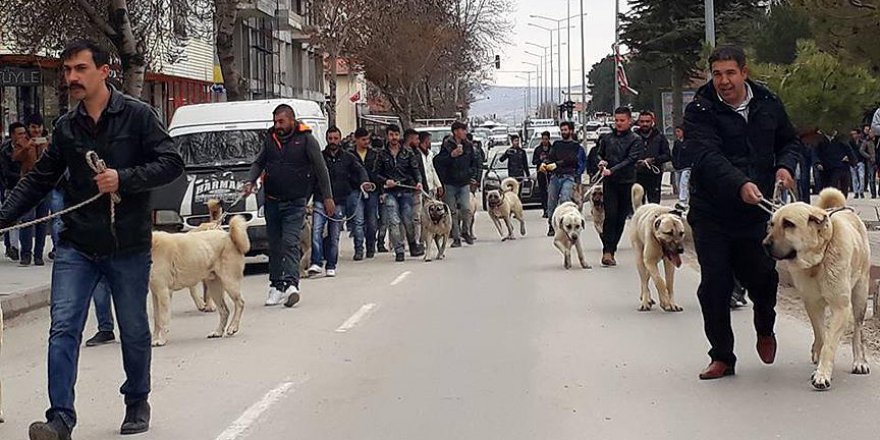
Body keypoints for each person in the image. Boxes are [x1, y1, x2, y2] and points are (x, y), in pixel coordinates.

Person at [0, 39, 185, 438]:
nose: (71, 78)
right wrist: (2, 218)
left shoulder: (138, 116)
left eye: (80, 69)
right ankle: (59, 418)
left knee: (134, 328)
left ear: (104, 71)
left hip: (128, 244)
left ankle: (137, 400)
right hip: (77, 245)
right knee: (63, 327)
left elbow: (172, 162)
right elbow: (38, 179)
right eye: (67, 71)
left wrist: (125, 178)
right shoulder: (67, 127)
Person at [683, 45, 801, 380]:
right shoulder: (700, 109)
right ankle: (722, 356)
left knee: (763, 279)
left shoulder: (768, 102)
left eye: (730, 73)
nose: (723, 81)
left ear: (744, 72)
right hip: (712, 212)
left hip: (756, 214)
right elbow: (706, 156)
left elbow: (789, 142)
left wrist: (784, 166)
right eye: (717, 74)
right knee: (715, 285)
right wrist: (739, 184)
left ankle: (765, 327)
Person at [244, 104, 333, 307]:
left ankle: (292, 284)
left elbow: (321, 169)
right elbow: (259, 163)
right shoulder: (269, 140)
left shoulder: (306, 140)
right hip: (272, 201)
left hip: (296, 202)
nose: (277, 125)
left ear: (292, 120)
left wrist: (327, 196)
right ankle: (276, 286)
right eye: (275, 121)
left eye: (281, 121)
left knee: (290, 243)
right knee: (274, 245)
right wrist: (251, 180)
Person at [307, 126, 369, 277]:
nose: (333, 141)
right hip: (320, 199)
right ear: (326, 139)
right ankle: (316, 262)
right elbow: (311, 179)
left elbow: (360, 170)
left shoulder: (348, 157)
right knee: (316, 231)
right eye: (330, 139)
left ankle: (331, 264)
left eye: (335, 138)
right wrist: (305, 199)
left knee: (334, 235)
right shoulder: (319, 157)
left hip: (339, 201)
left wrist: (364, 182)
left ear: (340, 139)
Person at [595, 108, 642, 266]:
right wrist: (601, 162)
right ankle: (607, 251)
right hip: (610, 183)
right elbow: (599, 153)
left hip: (626, 181)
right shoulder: (607, 138)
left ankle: (612, 248)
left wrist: (612, 170)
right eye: (616, 120)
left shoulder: (635, 139)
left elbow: (631, 159)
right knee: (611, 215)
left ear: (629, 121)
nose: (619, 123)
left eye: (622, 120)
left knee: (621, 217)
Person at [374, 125, 424, 261]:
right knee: (394, 222)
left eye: (396, 135)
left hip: (406, 191)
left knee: (408, 220)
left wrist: (418, 182)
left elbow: (415, 170)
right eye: (391, 135)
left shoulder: (408, 153)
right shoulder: (381, 154)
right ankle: (399, 250)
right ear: (387, 136)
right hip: (389, 192)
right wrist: (386, 181)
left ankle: (413, 244)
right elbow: (375, 174)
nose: (394, 138)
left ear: (399, 136)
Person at [434, 122, 480, 247]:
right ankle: (456, 237)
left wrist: (472, 175)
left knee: (466, 208)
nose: (465, 132)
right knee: (451, 211)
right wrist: (451, 156)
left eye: (465, 130)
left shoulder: (468, 146)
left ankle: (465, 231)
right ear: (455, 131)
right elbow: (438, 162)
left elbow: (474, 162)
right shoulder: (447, 145)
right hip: (450, 182)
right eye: (462, 130)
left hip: (464, 182)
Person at [12, 117, 51, 266]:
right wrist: (27, 146)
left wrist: (44, 147)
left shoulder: (47, 142)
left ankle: (38, 255)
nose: (37, 130)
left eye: (39, 127)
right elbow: (15, 157)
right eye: (34, 127)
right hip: (28, 186)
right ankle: (26, 254)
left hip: (45, 185)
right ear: (29, 128)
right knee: (27, 220)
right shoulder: (22, 142)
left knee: (42, 221)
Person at [540, 121, 582, 237]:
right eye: (562, 130)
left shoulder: (575, 145)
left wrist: (557, 164)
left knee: (565, 200)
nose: (563, 132)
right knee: (551, 202)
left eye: (565, 130)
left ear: (571, 131)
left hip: (568, 177)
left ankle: (565, 225)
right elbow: (550, 157)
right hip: (555, 177)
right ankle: (551, 226)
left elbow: (572, 160)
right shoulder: (557, 144)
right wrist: (545, 164)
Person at [352, 128, 382, 258]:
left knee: (372, 220)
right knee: (358, 221)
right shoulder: (350, 154)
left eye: (367, 139)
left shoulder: (374, 154)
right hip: (355, 190)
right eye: (363, 139)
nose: (366, 142)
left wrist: (379, 189)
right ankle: (358, 248)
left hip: (372, 191)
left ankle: (371, 246)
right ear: (356, 139)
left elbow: (378, 172)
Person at [634, 111, 671, 205]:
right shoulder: (633, 137)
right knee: (638, 203)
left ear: (652, 121)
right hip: (637, 174)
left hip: (654, 175)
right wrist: (635, 161)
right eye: (642, 121)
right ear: (638, 122)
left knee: (654, 204)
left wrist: (654, 160)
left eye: (647, 121)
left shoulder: (660, 136)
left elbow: (667, 155)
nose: (645, 124)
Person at [0, 123, 23, 261]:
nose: (22, 136)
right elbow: (5, 171)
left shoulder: (28, 147)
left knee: (18, 218)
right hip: (9, 186)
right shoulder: (5, 150)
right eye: (19, 133)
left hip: (24, 187)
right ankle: (11, 246)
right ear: (13, 135)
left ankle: (14, 247)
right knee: (9, 216)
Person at [532, 131, 552, 218]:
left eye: (546, 139)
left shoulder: (553, 149)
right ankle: (545, 209)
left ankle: (551, 209)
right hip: (541, 174)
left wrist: (549, 162)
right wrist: (540, 161)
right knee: (543, 193)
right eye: (543, 139)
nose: (545, 141)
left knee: (551, 193)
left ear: (549, 139)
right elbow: (534, 161)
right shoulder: (538, 149)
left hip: (551, 174)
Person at [671, 125, 691, 210]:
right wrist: (674, 163)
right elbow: (674, 154)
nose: (677, 133)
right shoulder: (677, 143)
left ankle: (683, 201)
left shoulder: (688, 142)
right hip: (678, 167)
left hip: (686, 167)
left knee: (684, 183)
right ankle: (680, 198)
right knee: (678, 183)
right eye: (676, 132)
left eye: (679, 131)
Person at [862, 129, 878, 198]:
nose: (872, 133)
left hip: (878, 160)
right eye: (870, 132)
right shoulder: (866, 141)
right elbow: (861, 150)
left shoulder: (877, 141)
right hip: (871, 162)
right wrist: (869, 156)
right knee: (872, 178)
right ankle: (873, 193)